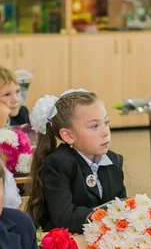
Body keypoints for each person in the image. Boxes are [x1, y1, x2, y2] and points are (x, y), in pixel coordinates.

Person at [26, 89, 126, 234]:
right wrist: (111, 215)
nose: (105, 132)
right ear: (68, 136)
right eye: (94, 126)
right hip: (68, 244)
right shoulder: (58, 163)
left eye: (106, 122)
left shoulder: (114, 160)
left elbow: (122, 205)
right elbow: (65, 218)